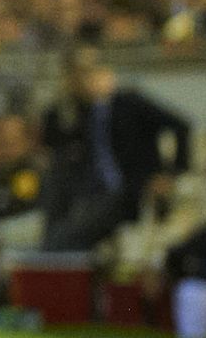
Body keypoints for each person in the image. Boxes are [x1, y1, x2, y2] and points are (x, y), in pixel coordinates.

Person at [37, 49, 192, 252]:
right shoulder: (81, 112)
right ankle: (50, 257)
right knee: (55, 189)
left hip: (128, 190)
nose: (84, 80)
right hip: (91, 191)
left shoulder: (129, 103)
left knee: (70, 233)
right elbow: (58, 144)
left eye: (88, 73)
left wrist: (170, 174)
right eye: (78, 75)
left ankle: (52, 256)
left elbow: (181, 125)